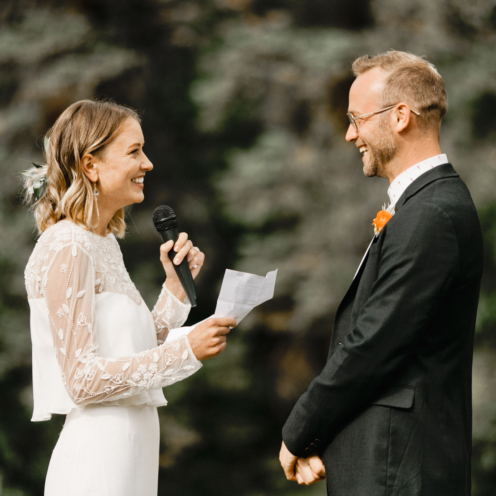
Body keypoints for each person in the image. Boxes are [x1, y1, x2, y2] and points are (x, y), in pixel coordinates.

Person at [279, 50, 484, 495]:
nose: (351, 134)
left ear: (400, 117)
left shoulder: (431, 213)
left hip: (400, 470)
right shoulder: (423, 206)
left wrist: (300, 430)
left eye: (357, 119)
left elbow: (374, 341)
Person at [23, 99, 236, 496]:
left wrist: (174, 289)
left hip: (132, 453)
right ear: (91, 165)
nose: (148, 163)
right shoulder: (68, 244)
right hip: (98, 461)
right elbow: (82, 380)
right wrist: (185, 351)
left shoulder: (100, 243)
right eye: (134, 151)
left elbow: (130, 349)